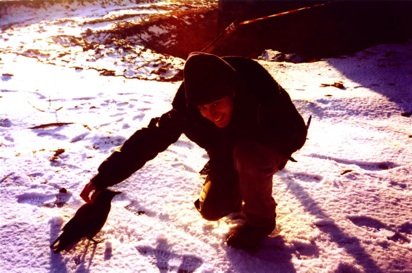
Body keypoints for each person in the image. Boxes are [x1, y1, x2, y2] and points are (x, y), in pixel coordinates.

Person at [80, 52, 308, 251]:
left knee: (247, 154)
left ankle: (260, 224)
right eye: (204, 108)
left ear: (232, 95)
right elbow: (149, 139)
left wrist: (257, 152)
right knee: (211, 210)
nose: (212, 113)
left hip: (267, 147)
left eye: (217, 103)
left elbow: (294, 133)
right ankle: (239, 185)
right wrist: (103, 177)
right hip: (226, 156)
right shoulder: (187, 111)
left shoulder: (261, 94)